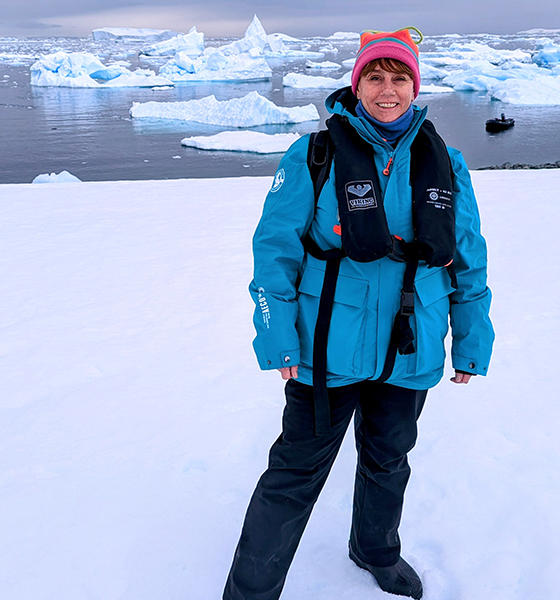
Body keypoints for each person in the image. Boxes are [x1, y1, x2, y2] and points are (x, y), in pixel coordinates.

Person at [223, 27, 494, 600]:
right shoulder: (314, 154)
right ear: (358, 83)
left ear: (414, 87)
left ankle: (375, 551)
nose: (387, 89)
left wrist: (472, 342)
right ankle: (249, 592)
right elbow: (274, 251)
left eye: (400, 78)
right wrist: (276, 336)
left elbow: (468, 259)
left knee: (389, 461)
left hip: (413, 343)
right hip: (325, 349)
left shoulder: (447, 161)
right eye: (376, 76)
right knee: (293, 477)